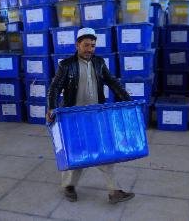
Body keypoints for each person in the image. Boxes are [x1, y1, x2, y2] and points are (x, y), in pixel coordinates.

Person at [46, 27, 135, 204]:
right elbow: (55, 88)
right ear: (77, 45)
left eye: (93, 46)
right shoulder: (66, 65)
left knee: (105, 152)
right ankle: (69, 186)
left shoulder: (99, 62)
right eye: (86, 45)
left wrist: (128, 100)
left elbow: (112, 82)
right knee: (75, 153)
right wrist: (51, 108)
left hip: (96, 115)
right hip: (73, 117)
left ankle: (114, 191)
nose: (90, 49)